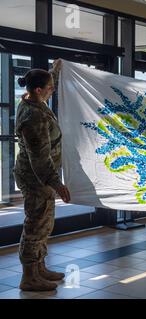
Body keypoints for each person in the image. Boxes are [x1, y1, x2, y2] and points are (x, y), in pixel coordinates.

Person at [14, 59, 71, 292]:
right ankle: (29, 276)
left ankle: (39, 267)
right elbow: (39, 157)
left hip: (41, 179)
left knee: (44, 224)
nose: (53, 89)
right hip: (36, 179)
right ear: (38, 90)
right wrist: (57, 183)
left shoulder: (34, 100)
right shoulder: (33, 117)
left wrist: (55, 70)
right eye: (50, 87)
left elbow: (47, 80)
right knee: (36, 225)